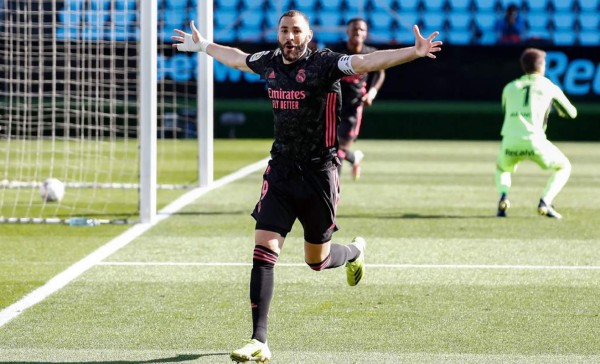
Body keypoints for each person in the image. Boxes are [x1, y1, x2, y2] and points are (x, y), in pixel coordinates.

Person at [172, 10, 442, 363]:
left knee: (318, 261)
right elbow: (238, 59)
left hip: (320, 174)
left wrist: (413, 52)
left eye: (296, 31)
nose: (290, 37)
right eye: (284, 30)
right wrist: (203, 45)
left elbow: (365, 61)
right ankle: (259, 340)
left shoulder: (326, 63)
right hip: (281, 171)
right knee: (263, 253)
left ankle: (355, 252)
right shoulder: (269, 61)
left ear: (309, 35)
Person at [496, 48, 577, 219]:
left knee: (503, 168)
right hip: (535, 140)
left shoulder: (509, 87)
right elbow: (571, 112)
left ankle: (503, 198)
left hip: (510, 140)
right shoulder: (548, 85)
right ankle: (545, 202)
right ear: (542, 66)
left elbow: (505, 111)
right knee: (564, 167)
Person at [329, 18, 385, 180]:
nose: (358, 33)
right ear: (347, 32)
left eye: (361, 30)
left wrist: (372, 92)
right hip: (333, 104)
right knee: (329, 148)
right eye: (354, 29)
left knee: (337, 150)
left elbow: (381, 72)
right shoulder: (336, 51)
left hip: (354, 107)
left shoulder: (369, 53)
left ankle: (334, 193)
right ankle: (354, 158)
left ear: (366, 33)